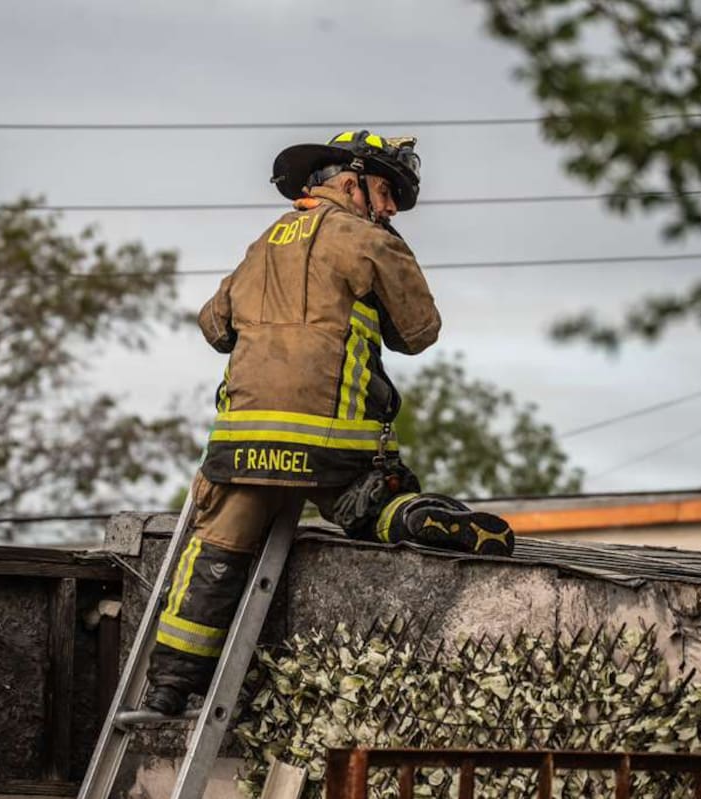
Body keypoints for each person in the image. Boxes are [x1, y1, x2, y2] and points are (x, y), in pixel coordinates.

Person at [144, 130, 515, 715]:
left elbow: (213, 326)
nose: (392, 209)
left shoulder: (261, 244)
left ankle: (168, 685)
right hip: (331, 447)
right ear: (350, 184)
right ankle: (411, 515)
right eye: (387, 192)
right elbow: (420, 332)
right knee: (369, 505)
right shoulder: (368, 240)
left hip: (243, 448)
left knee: (214, 553)